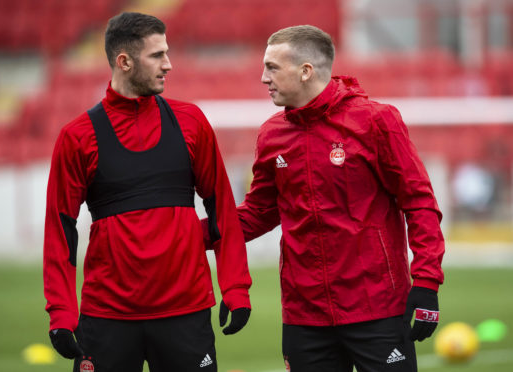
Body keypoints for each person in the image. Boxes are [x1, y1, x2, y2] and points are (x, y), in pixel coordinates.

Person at [204, 25, 444, 371]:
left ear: (305, 71)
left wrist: (426, 281)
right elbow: (258, 213)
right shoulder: (272, 135)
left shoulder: (376, 121)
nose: (262, 78)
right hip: (305, 315)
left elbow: (419, 202)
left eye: (272, 67)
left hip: (376, 307)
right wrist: (188, 235)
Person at [43, 12, 251, 372]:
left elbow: (223, 212)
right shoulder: (76, 137)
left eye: (166, 53)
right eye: (157, 55)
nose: (168, 65)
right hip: (108, 316)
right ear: (124, 62)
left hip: (186, 312)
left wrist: (235, 287)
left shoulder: (192, 123)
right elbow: (59, 232)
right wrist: (61, 310)